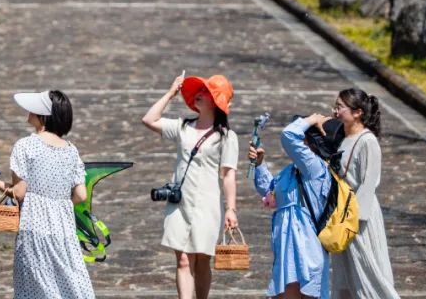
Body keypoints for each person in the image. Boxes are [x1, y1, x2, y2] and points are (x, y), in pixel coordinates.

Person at [0, 90, 95, 299]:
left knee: (37, 290)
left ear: (44, 116)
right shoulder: (71, 150)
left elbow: (19, 193)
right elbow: (81, 195)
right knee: (69, 287)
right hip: (63, 230)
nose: (29, 110)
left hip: (34, 228)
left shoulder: (25, 146)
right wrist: (58, 203)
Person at [142, 73, 239, 299]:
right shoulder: (182, 127)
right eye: (200, 90)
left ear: (216, 101)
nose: (199, 94)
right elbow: (149, 119)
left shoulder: (226, 137)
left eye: (205, 92)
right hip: (180, 203)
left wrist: (231, 209)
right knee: (184, 260)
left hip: (208, 205)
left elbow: (228, 175)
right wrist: (170, 93)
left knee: (202, 259)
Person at [249, 114, 345, 299]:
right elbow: (270, 191)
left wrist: (312, 118)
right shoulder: (293, 170)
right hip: (287, 250)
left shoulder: (316, 168)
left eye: (305, 137)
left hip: (307, 251)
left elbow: (289, 134)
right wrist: (260, 165)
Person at [330, 88, 400, 299]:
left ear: (358, 112)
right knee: (344, 274)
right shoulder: (341, 136)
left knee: (368, 270)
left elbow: (370, 182)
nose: (335, 111)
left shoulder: (368, 141)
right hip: (342, 212)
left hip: (359, 216)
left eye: (340, 107)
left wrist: (354, 219)